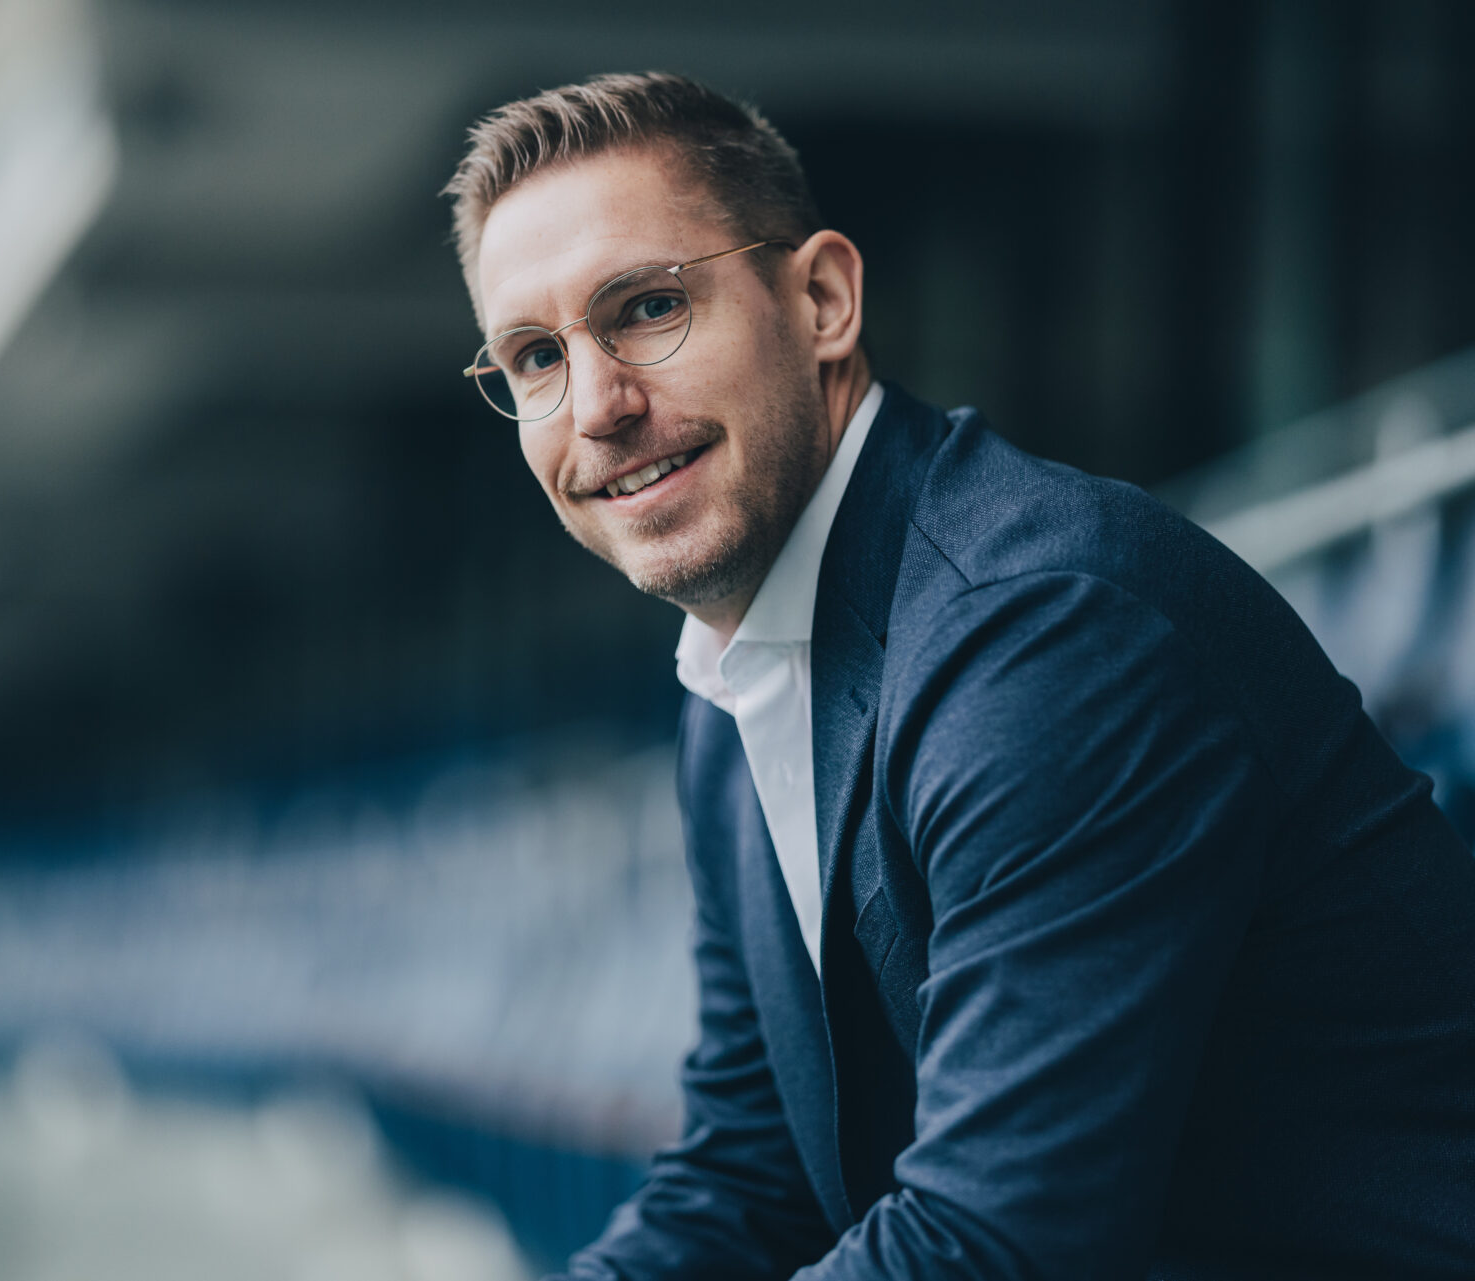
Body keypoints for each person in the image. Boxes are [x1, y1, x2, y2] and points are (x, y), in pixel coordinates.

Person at [442, 72, 1475, 1280]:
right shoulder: (736, 689)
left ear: (822, 300)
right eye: (534, 358)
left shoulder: (1044, 634)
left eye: (650, 307)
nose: (597, 406)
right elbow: (751, 1175)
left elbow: (990, 1243)